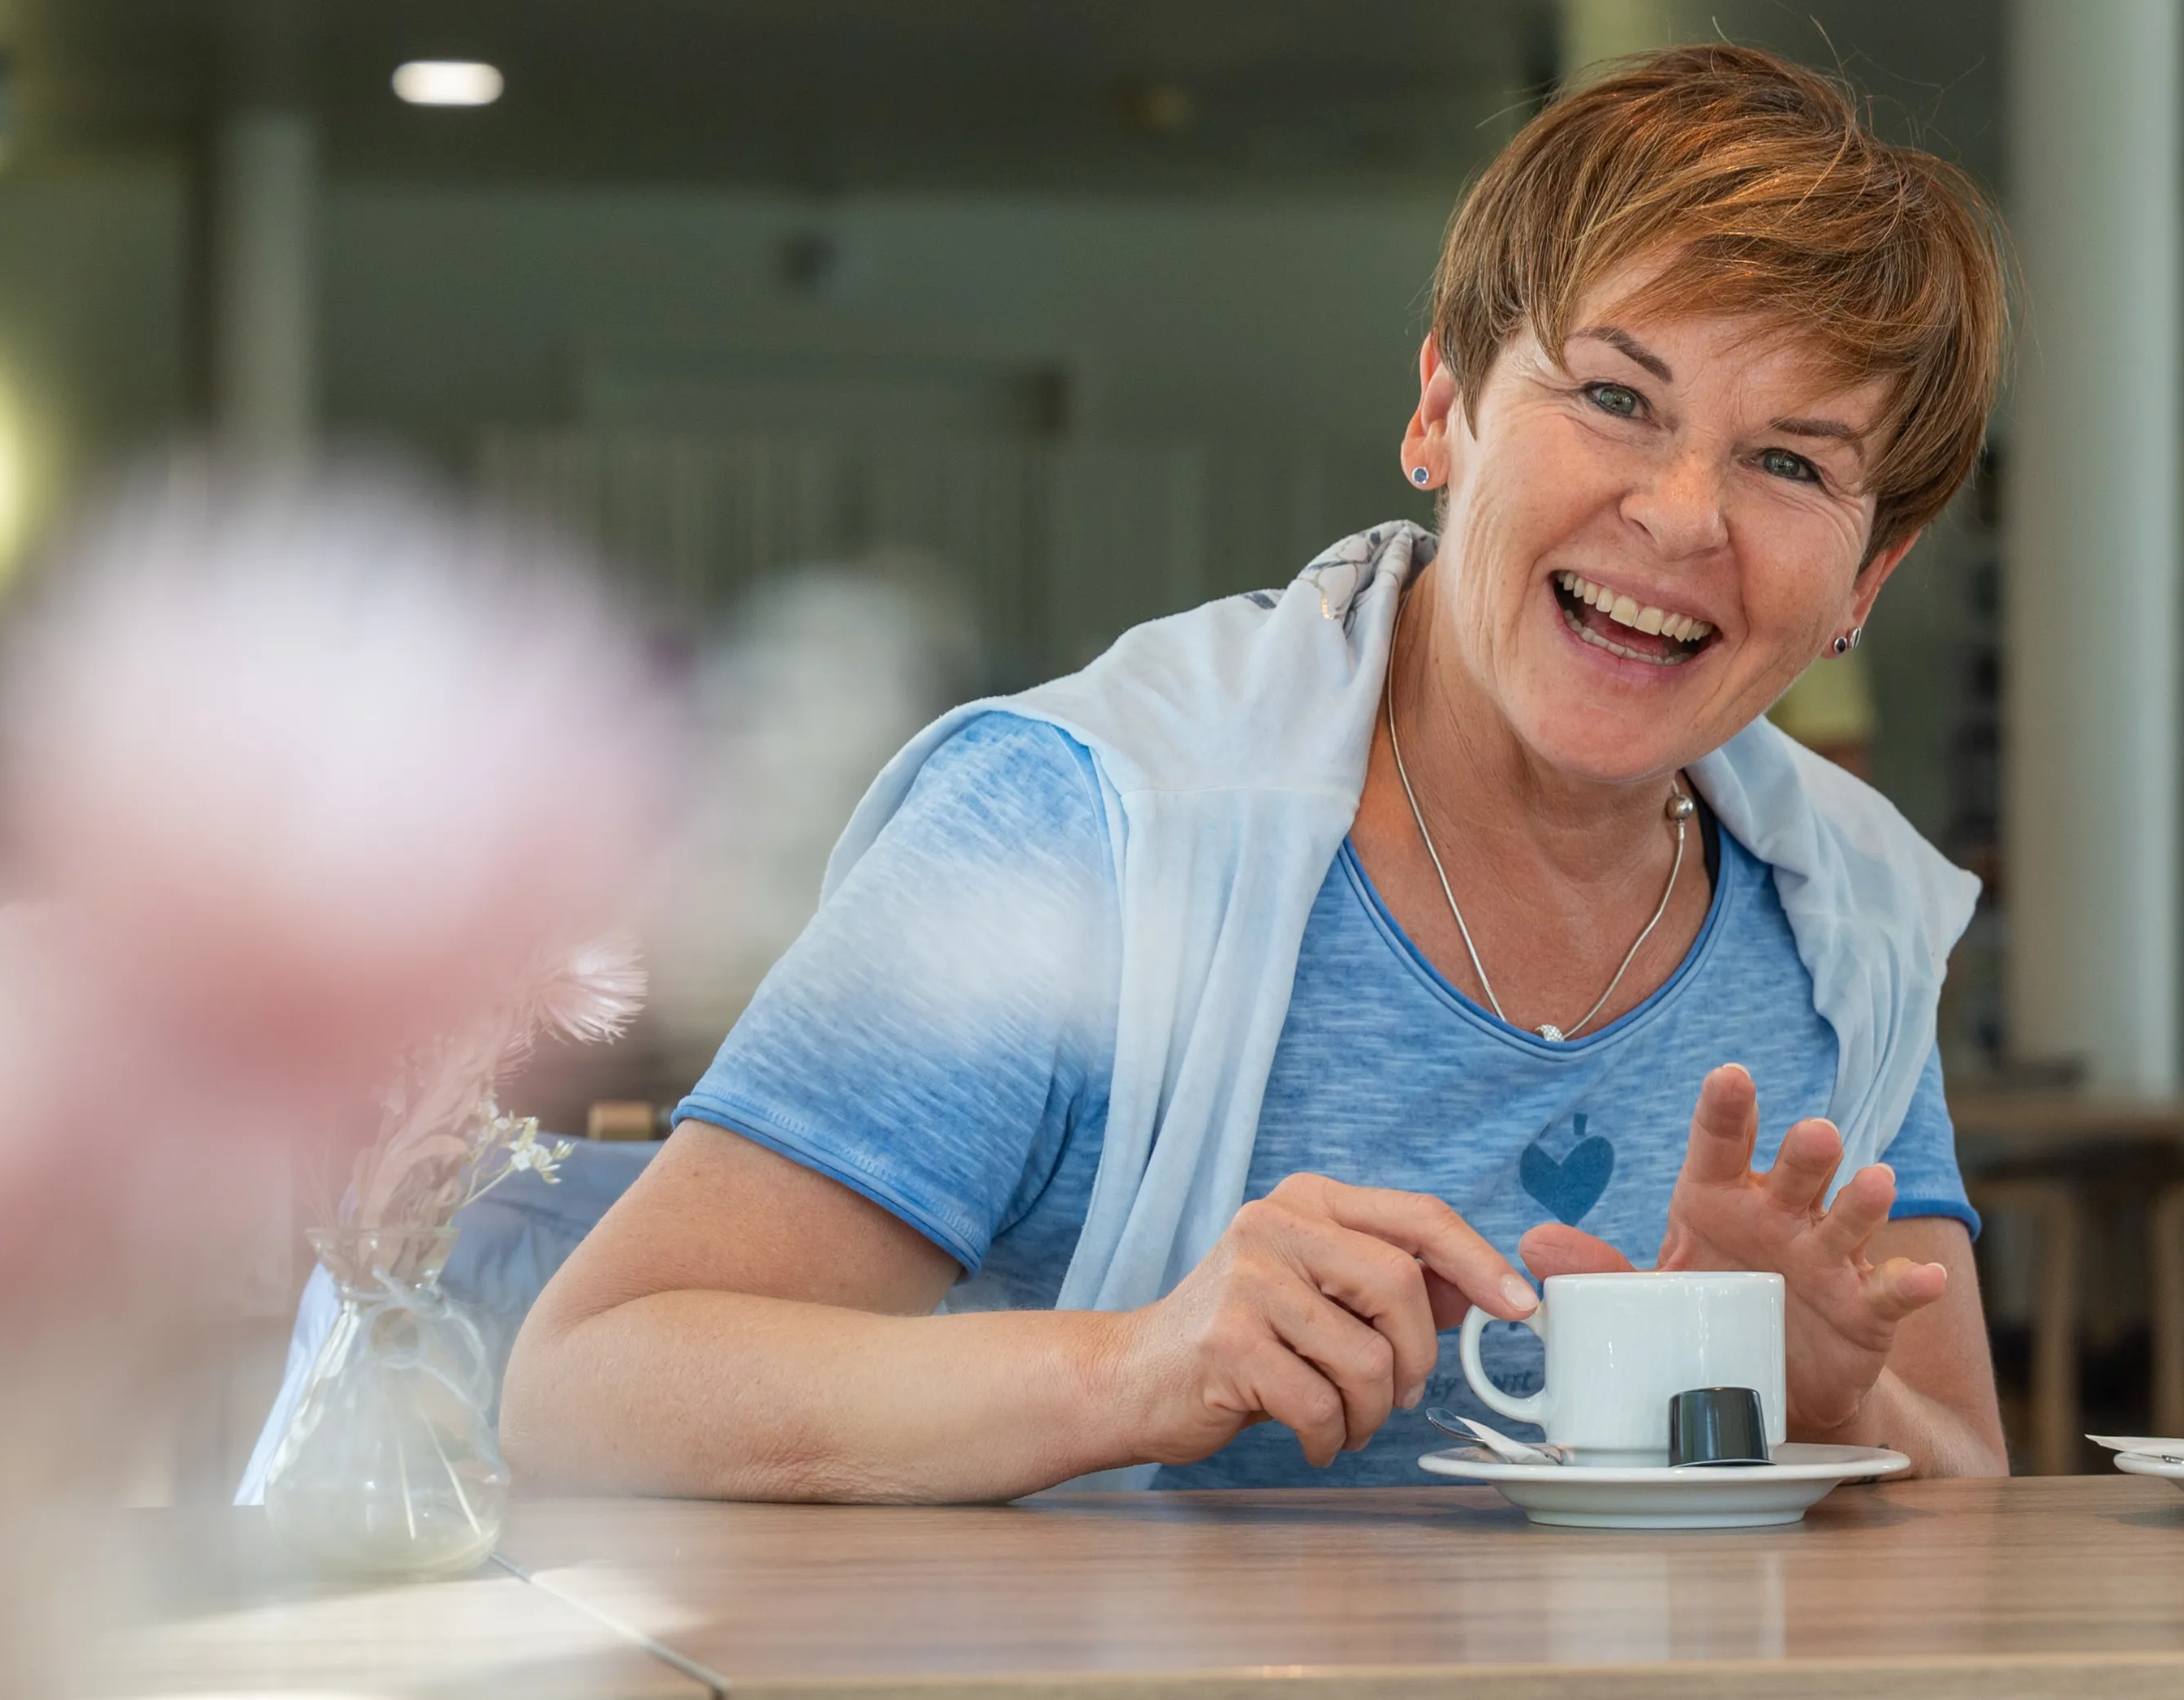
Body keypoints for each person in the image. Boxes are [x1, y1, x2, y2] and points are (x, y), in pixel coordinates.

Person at [502, 44, 2013, 1499]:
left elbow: (1967, 1476)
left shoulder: (1844, 913)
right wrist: (1129, 1371)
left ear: (1867, 581)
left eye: (1792, 462)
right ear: (1443, 409)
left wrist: (1835, 1402)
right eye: (1616, 398)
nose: (1684, 518)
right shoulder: (1074, 824)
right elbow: (595, 1382)